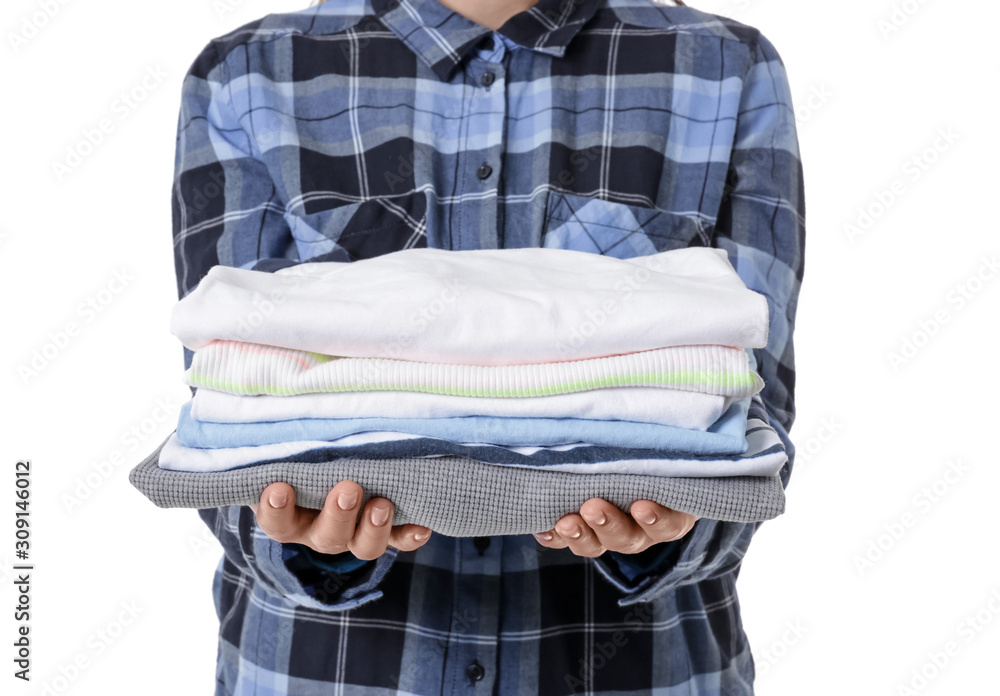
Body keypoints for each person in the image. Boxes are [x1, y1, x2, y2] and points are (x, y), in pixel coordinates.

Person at [171, 0, 805, 691]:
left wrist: (673, 530)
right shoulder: (249, 75)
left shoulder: (722, 69)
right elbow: (225, 412)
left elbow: (750, 415)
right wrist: (310, 541)